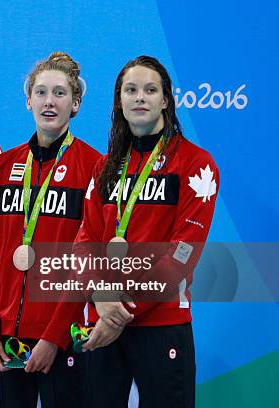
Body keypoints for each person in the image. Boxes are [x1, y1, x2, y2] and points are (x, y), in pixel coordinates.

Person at [78, 56, 220, 407]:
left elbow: (181, 255)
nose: (140, 97)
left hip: (161, 324)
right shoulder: (104, 166)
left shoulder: (196, 164)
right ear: (119, 100)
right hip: (101, 323)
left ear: (166, 100)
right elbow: (84, 244)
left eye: (150, 89)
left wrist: (120, 310)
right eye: (131, 90)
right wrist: (99, 296)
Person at [0, 52, 100, 408]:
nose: (49, 102)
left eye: (60, 93)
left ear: (75, 103)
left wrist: (54, 337)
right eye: (41, 92)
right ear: (28, 99)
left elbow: (87, 266)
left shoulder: (95, 168)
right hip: (8, 341)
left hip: (64, 339)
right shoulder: (1, 167)